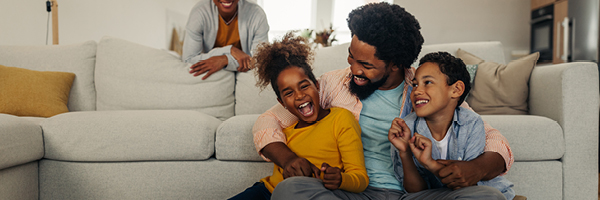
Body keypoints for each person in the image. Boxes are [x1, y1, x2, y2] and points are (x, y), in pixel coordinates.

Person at [254, 2, 514, 200]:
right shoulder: (333, 84)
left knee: (487, 197)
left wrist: (477, 168)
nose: (354, 69)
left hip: (414, 194)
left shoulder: (424, 90)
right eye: (351, 57)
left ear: (395, 65)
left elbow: (494, 139)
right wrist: (287, 159)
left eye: (365, 64)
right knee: (291, 190)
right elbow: (269, 120)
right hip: (355, 193)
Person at [229, 33, 368, 200]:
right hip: (266, 191)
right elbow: (263, 125)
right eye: (289, 93)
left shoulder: (341, 119)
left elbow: (360, 178)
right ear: (282, 103)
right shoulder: (285, 129)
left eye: (304, 86)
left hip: (305, 193)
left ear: (317, 86)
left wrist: (341, 179)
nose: (299, 96)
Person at [389, 52, 513, 199]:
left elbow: (466, 183)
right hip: (428, 196)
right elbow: (415, 191)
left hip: (465, 193)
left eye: (427, 82)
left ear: (456, 90)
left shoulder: (471, 123)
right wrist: (405, 153)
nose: (417, 91)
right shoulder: (406, 128)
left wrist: (431, 164)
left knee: (489, 195)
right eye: (415, 84)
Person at [182, 0, 269, 80]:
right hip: (214, 76)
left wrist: (225, 60)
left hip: (243, 74)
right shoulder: (199, 13)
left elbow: (260, 61)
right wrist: (230, 50)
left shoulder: (257, 14)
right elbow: (188, 60)